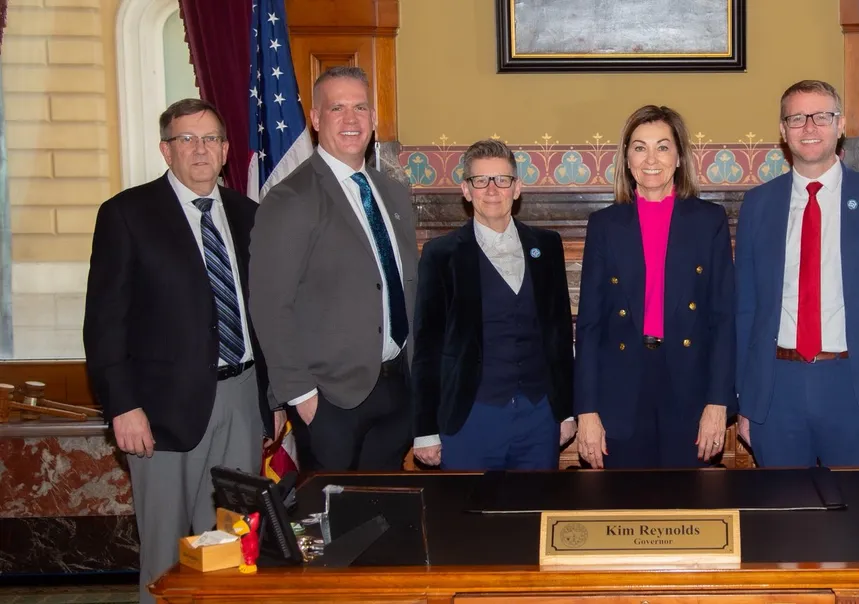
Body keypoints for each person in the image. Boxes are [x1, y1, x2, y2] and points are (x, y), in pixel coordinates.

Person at [83, 98, 281, 604]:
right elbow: (104, 323)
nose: (200, 149)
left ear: (226, 150)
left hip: (242, 398)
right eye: (187, 139)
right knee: (168, 553)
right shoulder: (127, 214)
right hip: (161, 410)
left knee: (236, 543)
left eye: (211, 139)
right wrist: (123, 405)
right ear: (165, 150)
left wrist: (272, 398)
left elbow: (264, 314)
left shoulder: (247, 214)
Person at [735, 80, 859, 467]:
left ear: (841, 124)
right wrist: (746, 399)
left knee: (852, 517)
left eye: (822, 116)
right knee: (782, 517)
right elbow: (745, 309)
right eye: (797, 118)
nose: (810, 127)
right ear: (782, 131)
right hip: (776, 388)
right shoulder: (758, 205)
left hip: (854, 385)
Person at [249, 66, 418, 471]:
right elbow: (271, 306)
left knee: (386, 516)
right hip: (330, 401)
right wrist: (302, 397)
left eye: (360, 107)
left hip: (396, 390)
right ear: (315, 118)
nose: (351, 119)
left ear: (374, 119)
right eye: (337, 108)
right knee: (331, 526)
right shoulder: (291, 197)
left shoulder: (392, 192)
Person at [574, 105, 735, 469]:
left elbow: (723, 319)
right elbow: (589, 326)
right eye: (639, 147)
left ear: (679, 157)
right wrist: (586, 409)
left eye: (662, 147)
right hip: (621, 388)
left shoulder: (709, 221)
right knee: (623, 510)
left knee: (690, 511)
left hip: (689, 386)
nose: (651, 159)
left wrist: (718, 402)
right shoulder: (604, 225)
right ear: (627, 159)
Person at [410, 140, 576, 470]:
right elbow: (428, 347)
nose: (491, 190)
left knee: (536, 515)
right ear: (466, 190)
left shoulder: (547, 246)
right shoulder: (441, 254)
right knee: (467, 520)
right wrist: (425, 430)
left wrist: (566, 410)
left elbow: (558, 334)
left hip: (538, 417)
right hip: (471, 418)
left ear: (517, 188)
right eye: (480, 180)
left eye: (501, 180)